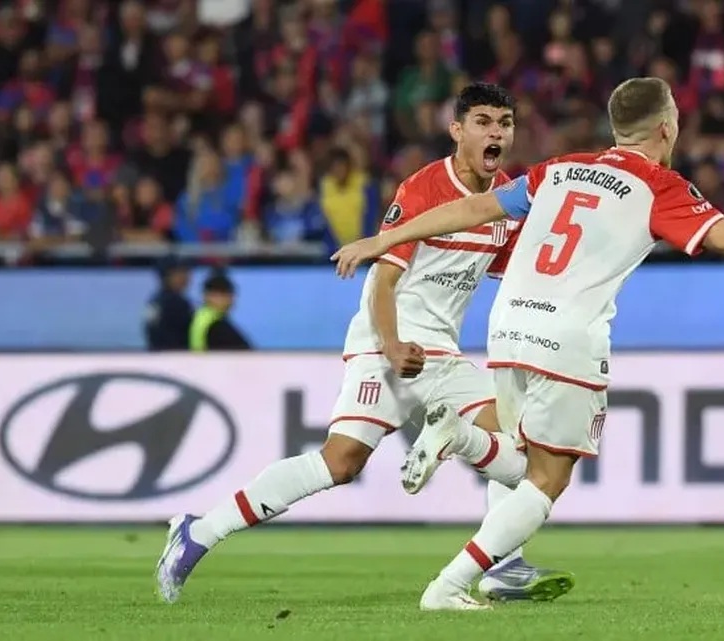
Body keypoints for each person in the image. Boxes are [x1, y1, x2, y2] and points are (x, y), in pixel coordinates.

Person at [331, 77, 724, 611]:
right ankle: (450, 575)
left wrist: (385, 238)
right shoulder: (658, 186)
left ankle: (483, 508)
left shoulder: (562, 167)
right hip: (568, 336)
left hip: (506, 330)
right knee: (547, 480)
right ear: (667, 129)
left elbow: (473, 208)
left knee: (521, 459)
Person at [156, 83, 574, 605]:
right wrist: (393, 343)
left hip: (441, 353)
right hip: (386, 345)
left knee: (516, 450)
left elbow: (513, 271)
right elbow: (383, 280)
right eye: (484, 121)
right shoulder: (424, 189)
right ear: (457, 129)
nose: (496, 132)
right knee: (341, 462)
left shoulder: (504, 202)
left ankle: (501, 564)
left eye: (505, 123)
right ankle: (199, 531)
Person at [188, 269, 252, 351]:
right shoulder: (216, 324)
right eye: (224, 295)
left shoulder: (199, 316)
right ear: (207, 296)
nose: (230, 300)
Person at [144, 256, 194, 351]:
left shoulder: (155, 300)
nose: (186, 277)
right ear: (166, 276)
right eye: (180, 272)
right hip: (174, 357)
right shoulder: (176, 303)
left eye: (187, 272)